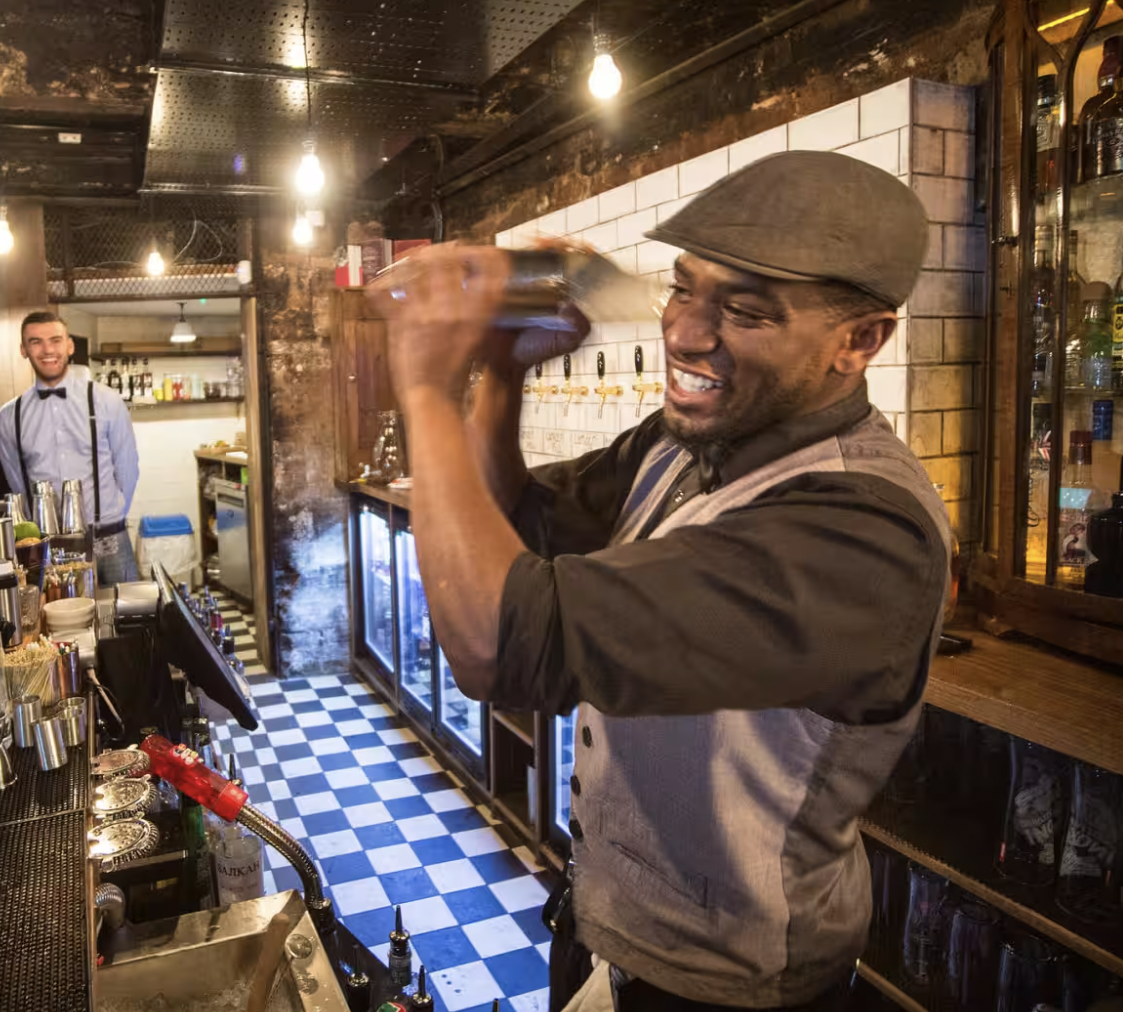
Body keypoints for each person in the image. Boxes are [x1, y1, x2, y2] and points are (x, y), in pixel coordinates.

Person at [367, 151, 949, 1012]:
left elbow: (501, 640)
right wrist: (503, 372)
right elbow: (521, 533)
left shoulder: (863, 530)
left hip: (734, 989)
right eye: (684, 289)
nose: (684, 333)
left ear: (858, 341)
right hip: (609, 930)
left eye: (744, 309)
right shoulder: (683, 444)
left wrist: (423, 386)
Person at [0, 310, 140, 584]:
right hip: (48, 545)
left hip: (109, 539)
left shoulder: (107, 401)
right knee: (55, 621)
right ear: (24, 350)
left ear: (70, 345)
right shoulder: (8, 416)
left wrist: (110, 519)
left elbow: (128, 469)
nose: (47, 349)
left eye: (55, 340)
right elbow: (17, 483)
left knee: (128, 620)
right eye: (36, 341)